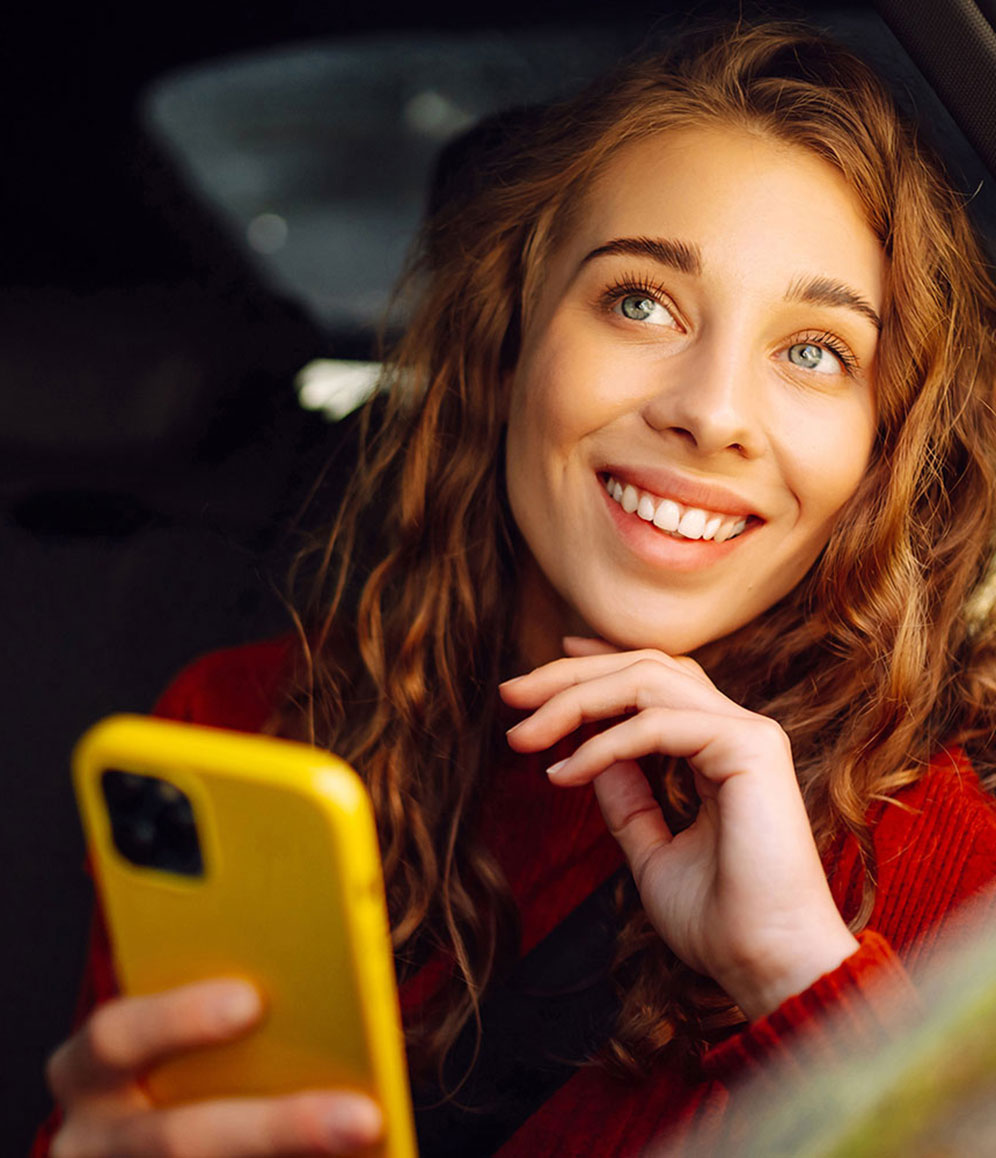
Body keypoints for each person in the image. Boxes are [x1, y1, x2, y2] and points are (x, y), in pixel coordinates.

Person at [35, 21, 996, 1158]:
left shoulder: (956, 879)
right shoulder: (240, 725)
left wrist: (797, 978)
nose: (712, 413)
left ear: (887, 447)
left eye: (817, 352)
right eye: (641, 302)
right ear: (511, 340)